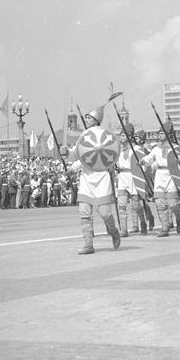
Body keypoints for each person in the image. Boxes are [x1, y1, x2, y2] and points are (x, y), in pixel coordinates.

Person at [62, 101, 121, 254]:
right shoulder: (83, 135)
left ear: (96, 120)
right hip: (86, 178)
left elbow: (111, 152)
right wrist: (66, 152)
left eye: (89, 117)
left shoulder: (105, 134)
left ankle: (113, 230)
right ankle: (88, 244)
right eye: (86, 117)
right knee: (84, 211)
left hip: (101, 177)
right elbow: (76, 154)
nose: (86, 119)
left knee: (104, 213)